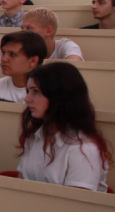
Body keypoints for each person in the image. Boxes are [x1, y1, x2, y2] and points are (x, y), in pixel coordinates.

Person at [17, 62, 111, 191]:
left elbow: (74, 206)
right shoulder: (34, 137)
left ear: (59, 96)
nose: (27, 98)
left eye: (36, 91)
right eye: (28, 91)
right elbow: (19, 189)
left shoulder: (84, 149)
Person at [0, 31, 47, 103]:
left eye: (12, 54)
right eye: (3, 53)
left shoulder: (50, 91)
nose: (3, 59)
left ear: (33, 61)